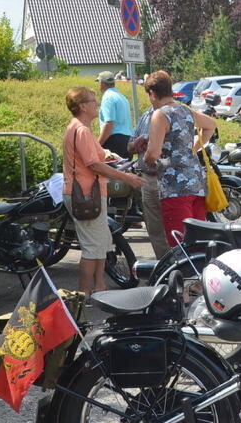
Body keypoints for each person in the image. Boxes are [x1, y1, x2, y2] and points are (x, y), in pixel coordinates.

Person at [62, 87, 143, 295]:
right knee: (92, 246)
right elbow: (93, 164)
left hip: (90, 193)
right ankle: (84, 293)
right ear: (82, 106)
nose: (96, 104)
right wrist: (127, 177)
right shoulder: (82, 130)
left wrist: (110, 155)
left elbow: (97, 156)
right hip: (86, 195)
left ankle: (99, 286)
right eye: (92, 101)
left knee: (100, 243)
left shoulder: (79, 128)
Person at [143, 71, 217, 247]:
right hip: (196, 184)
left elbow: (153, 153)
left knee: (180, 244)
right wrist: (191, 150)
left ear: (153, 93)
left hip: (174, 187)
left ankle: (186, 274)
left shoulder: (160, 114)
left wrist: (146, 160)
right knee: (199, 240)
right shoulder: (185, 109)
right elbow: (211, 126)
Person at [127, 105, 169, 259]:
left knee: (175, 226)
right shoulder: (145, 116)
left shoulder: (176, 113)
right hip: (148, 178)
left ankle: (183, 267)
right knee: (155, 228)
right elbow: (130, 146)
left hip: (171, 180)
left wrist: (152, 144)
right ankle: (164, 264)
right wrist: (135, 144)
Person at [95, 71, 133, 159]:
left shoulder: (107, 97)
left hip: (114, 140)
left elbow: (109, 123)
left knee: (110, 171)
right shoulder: (122, 97)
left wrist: (97, 145)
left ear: (102, 84)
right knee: (124, 170)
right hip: (127, 140)